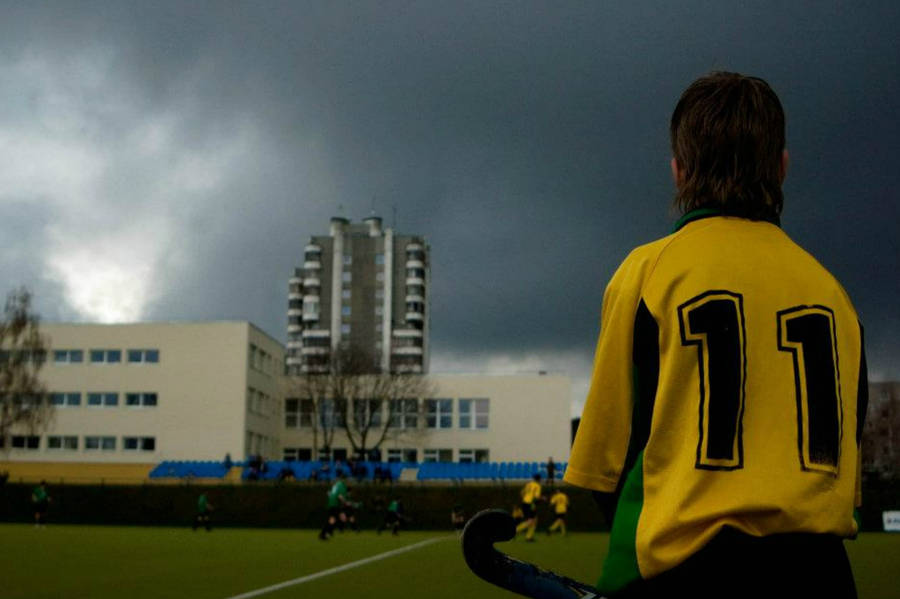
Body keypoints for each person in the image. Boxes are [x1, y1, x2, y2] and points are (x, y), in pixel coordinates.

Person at [564, 72, 868, 598]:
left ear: (679, 173)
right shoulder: (836, 296)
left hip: (688, 574)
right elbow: (846, 479)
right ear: (782, 167)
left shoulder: (647, 272)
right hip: (823, 576)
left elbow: (605, 470)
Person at [319, 471, 350, 540]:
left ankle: (326, 533)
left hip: (331, 503)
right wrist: (345, 502)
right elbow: (340, 496)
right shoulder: (342, 485)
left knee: (333, 519)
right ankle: (325, 533)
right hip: (335, 504)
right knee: (339, 518)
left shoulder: (335, 485)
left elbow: (329, 493)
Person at [515, 473, 542, 542]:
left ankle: (529, 537)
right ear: (539, 479)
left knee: (534, 520)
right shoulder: (537, 486)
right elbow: (536, 497)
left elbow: (522, 493)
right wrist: (541, 499)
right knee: (530, 521)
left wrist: (525, 499)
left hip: (525, 503)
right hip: (531, 504)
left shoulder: (528, 484)